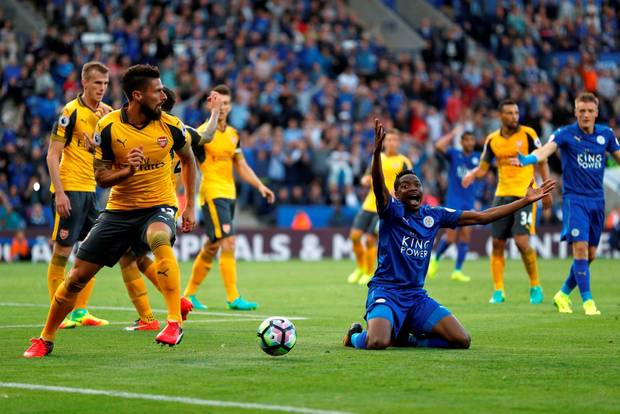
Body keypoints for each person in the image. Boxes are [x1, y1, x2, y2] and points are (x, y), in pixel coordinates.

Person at [23, 64, 197, 358]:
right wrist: (127, 170)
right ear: (138, 96)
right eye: (157, 92)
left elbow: (189, 160)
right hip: (118, 210)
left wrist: (189, 205)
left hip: (159, 205)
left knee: (159, 239)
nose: (163, 97)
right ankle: (46, 338)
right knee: (77, 275)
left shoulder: (171, 126)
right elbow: (101, 176)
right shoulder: (108, 127)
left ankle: (173, 321)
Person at [343, 119, 555, 350]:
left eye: (417, 184)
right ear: (396, 193)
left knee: (461, 340)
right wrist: (376, 154)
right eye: (405, 186)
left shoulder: (434, 215)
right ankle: (353, 338)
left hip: (416, 296)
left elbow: (481, 217)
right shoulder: (391, 211)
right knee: (377, 342)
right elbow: (377, 184)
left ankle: (408, 339)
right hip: (386, 291)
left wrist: (524, 201)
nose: (413, 188)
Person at [121, 86, 221, 331]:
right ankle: (174, 303)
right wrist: (216, 113)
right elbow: (207, 136)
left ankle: (150, 318)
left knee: (128, 258)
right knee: (136, 255)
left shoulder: (148, 132)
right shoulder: (182, 131)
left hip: (148, 202)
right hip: (168, 203)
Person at [514, 92, 620, 316]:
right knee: (580, 249)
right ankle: (588, 301)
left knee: (591, 254)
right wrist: (528, 159)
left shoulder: (606, 135)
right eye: (581, 110)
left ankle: (562, 294)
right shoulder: (565, 134)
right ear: (575, 112)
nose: (586, 115)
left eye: (590, 111)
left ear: (596, 113)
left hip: (597, 201)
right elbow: (545, 150)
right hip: (574, 199)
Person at [183, 84, 275, 311]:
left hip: (229, 193)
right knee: (229, 242)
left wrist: (259, 185)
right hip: (212, 193)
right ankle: (233, 297)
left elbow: (241, 166)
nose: (222, 107)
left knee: (211, 246)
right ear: (210, 104)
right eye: (218, 103)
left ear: (231, 105)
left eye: (226, 103)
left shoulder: (234, 135)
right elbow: (186, 162)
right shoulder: (203, 133)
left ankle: (188, 295)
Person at [462, 99, 551, 304]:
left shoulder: (528, 134)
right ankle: (498, 290)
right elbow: (484, 167)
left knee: (521, 242)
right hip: (502, 195)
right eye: (510, 113)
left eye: (516, 112)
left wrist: (544, 189)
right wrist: (472, 174)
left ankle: (535, 286)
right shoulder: (492, 140)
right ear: (500, 116)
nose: (514, 117)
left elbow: (543, 159)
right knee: (496, 243)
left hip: (525, 194)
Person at [45, 61, 111, 329]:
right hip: (69, 190)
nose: (102, 89)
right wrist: (60, 193)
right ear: (84, 83)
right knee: (62, 252)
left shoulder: (104, 114)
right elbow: (52, 155)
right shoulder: (69, 112)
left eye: (105, 84)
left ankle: (81, 311)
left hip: (90, 191)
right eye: (97, 83)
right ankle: (57, 313)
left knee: (92, 253)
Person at [347, 128, 412, 285]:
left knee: (370, 239)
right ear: (384, 142)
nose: (390, 143)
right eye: (388, 140)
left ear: (398, 142)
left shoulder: (404, 161)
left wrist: (398, 192)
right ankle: (360, 268)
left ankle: (369, 272)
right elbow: (369, 174)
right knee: (354, 237)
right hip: (369, 203)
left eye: (394, 140)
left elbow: (409, 183)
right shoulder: (377, 157)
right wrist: (365, 179)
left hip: (385, 207)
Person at [427, 128, 481, 282]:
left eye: (472, 140)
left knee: (466, 235)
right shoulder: (454, 154)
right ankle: (435, 261)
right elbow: (438, 146)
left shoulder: (478, 158)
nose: (469, 143)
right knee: (450, 237)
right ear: (461, 142)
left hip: (468, 200)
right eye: (466, 140)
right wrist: (451, 133)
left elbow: (485, 170)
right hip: (453, 200)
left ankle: (457, 271)